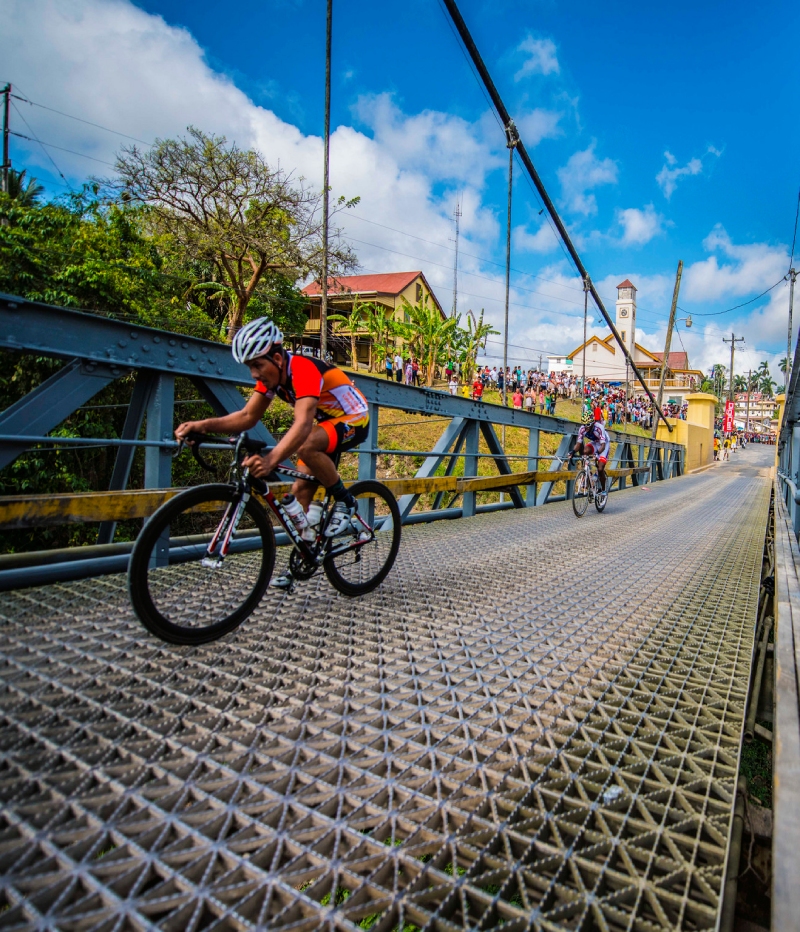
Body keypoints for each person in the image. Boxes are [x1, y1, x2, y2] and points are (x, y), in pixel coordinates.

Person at [175, 317, 368, 590]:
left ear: (277, 359)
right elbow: (247, 416)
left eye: (256, 365)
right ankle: (307, 556)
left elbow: (302, 424)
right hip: (327, 421)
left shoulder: (302, 369)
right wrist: (201, 425)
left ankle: (345, 501)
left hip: (354, 417)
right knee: (301, 491)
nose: (253, 374)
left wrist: (270, 461)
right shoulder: (273, 379)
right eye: (249, 367)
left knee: (306, 443)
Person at [570, 409, 610, 494]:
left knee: (600, 468)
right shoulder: (582, 429)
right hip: (595, 442)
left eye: (588, 424)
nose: (586, 427)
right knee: (584, 451)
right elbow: (578, 443)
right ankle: (587, 473)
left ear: (592, 423)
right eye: (584, 424)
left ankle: (603, 489)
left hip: (604, 444)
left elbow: (602, 446)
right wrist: (573, 452)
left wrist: (597, 454)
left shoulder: (599, 427)